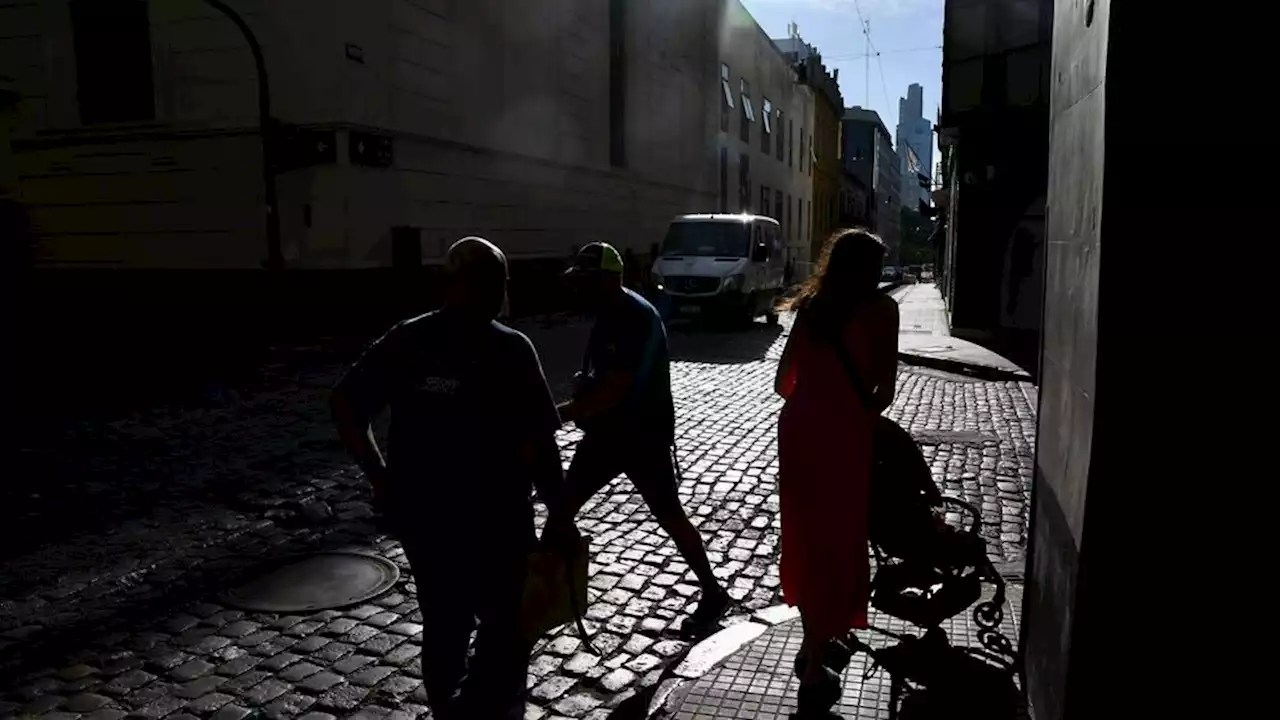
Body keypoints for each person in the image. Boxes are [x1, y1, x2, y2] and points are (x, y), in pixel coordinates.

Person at [330, 237, 571, 720]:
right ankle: (483, 705)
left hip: (429, 518)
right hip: (493, 521)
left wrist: (381, 480)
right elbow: (540, 448)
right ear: (488, 286)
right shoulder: (508, 347)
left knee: (445, 623)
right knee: (500, 627)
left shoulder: (409, 338)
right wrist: (560, 517)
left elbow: (346, 406)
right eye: (498, 283)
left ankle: (453, 707)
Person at [557, 242, 730, 637]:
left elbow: (616, 388)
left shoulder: (629, 316)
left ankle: (713, 590)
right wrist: (588, 385)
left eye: (586, 280)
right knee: (562, 508)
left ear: (608, 279)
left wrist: (561, 414)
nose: (578, 288)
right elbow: (610, 378)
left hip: (637, 436)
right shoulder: (613, 309)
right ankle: (550, 594)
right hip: (611, 432)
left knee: (668, 515)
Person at [773, 229, 899, 708]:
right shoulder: (882, 311)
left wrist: (814, 397)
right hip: (846, 434)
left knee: (805, 536)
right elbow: (883, 392)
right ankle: (816, 655)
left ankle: (813, 644)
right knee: (840, 538)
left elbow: (783, 383)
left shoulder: (812, 308)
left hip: (801, 431)